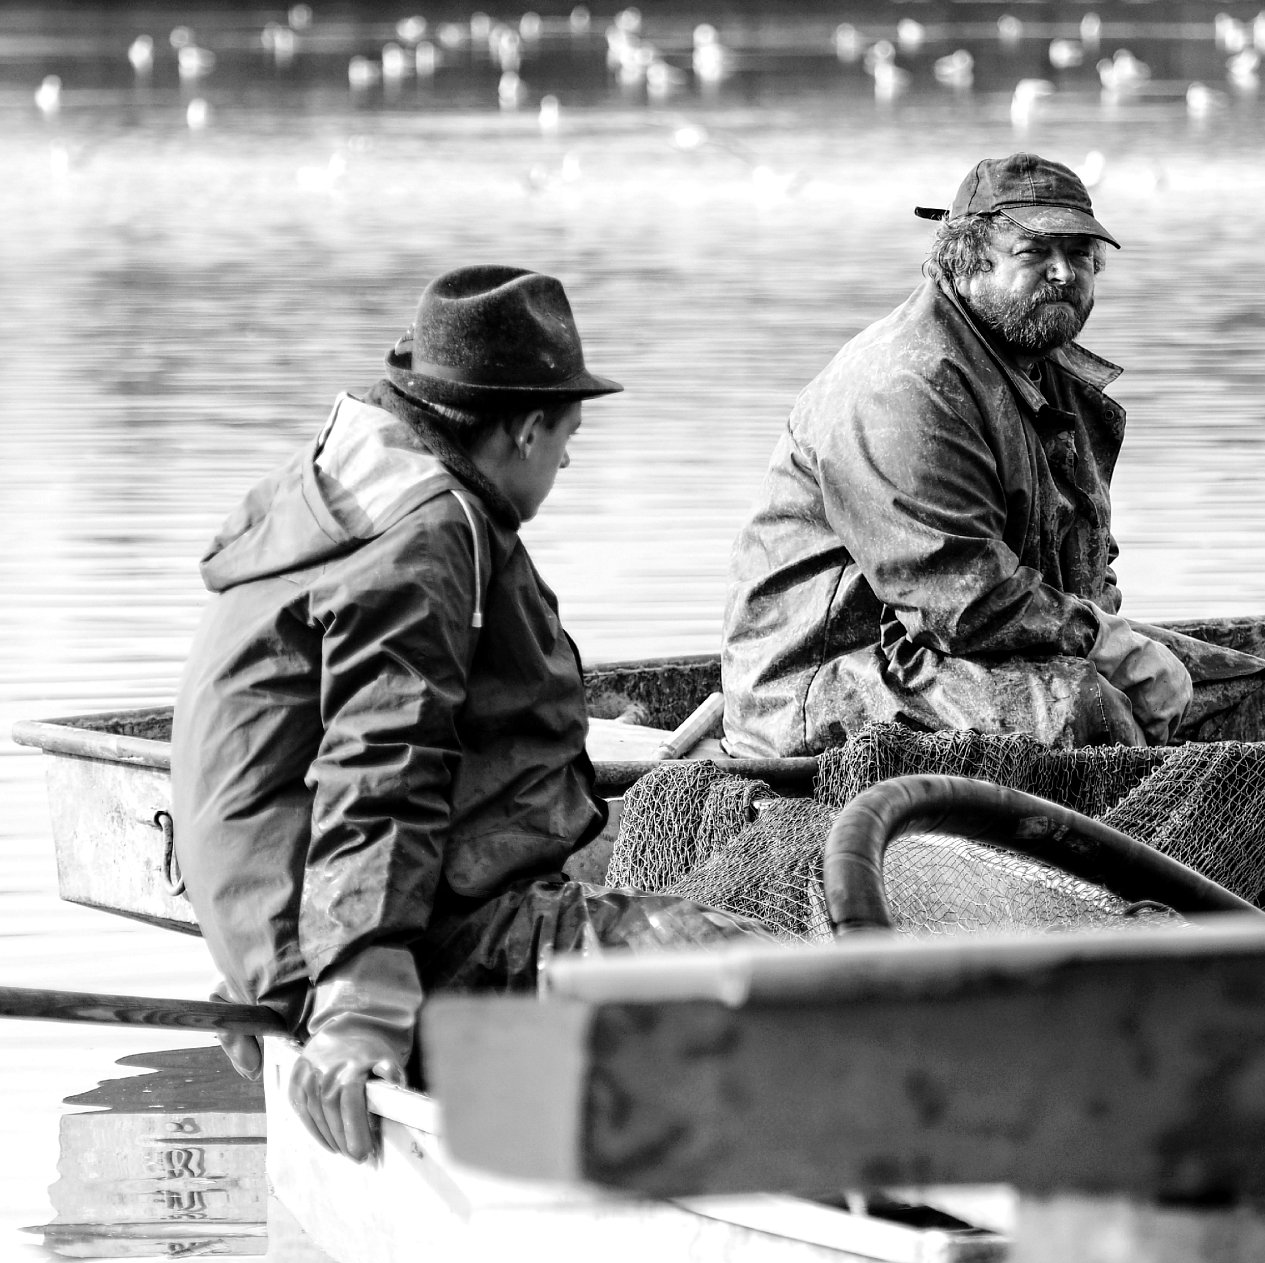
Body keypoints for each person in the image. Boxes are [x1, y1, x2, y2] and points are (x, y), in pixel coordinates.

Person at [172, 265, 762, 1164]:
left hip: (305, 924)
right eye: (567, 436)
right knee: (752, 979)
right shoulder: (429, 535)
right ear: (525, 429)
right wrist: (358, 996)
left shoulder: (348, 487)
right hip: (402, 944)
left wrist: (270, 951)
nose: (566, 461)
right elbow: (382, 765)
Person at [721, 153, 1192, 758]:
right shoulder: (905, 384)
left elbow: (1086, 557)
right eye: (1034, 252)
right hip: (828, 682)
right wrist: (1105, 646)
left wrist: (1117, 644)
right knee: (1088, 708)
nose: (1063, 273)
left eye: (1079, 255)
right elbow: (958, 599)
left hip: (953, 647)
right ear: (966, 260)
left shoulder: (1044, 369)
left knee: (1221, 678)